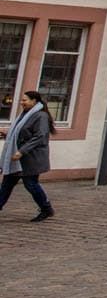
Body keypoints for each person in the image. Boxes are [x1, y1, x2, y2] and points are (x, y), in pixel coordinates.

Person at [0, 90, 55, 221]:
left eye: (25, 100)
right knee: (7, 184)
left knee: (30, 184)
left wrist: (21, 151)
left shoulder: (40, 116)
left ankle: (46, 208)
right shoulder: (25, 115)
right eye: (22, 100)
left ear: (34, 101)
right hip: (17, 158)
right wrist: (7, 135)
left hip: (30, 157)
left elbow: (39, 136)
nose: (22, 103)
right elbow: (21, 134)